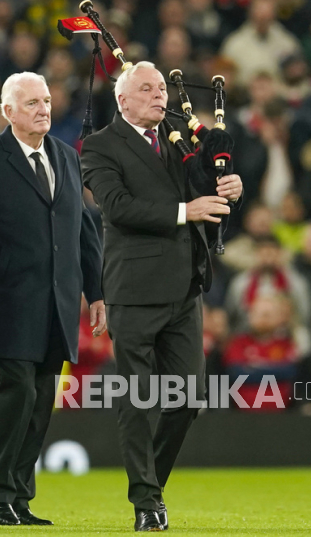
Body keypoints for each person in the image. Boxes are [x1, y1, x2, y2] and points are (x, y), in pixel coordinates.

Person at [80, 61, 243, 532]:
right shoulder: (99, 146)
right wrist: (184, 211)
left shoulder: (179, 134)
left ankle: (150, 482)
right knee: (137, 397)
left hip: (185, 288)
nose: (160, 96)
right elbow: (116, 207)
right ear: (122, 100)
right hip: (133, 290)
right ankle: (146, 500)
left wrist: (231, 185)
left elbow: (209, 184)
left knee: (189, 396)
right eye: (147, 89)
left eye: (160, 89)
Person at [0, 72, 105, 526]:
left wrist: (95, 292)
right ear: (7, 111)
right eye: (32, 102)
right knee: (14, 395)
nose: (43, 109)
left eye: (47, 101)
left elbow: (84, 229)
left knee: (39, 401)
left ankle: (18, 496)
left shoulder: (67, 158)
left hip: (57, 304)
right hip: (5, 303)